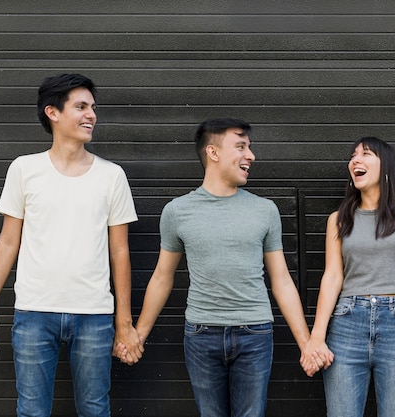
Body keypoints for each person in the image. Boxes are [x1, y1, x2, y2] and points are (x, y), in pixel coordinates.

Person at [124, 118, 332, 416]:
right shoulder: (177, 211)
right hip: (200, 333)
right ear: (213, 152)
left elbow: (282, 280)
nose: (251, 155)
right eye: (241, 146)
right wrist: (138, 335)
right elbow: (161, 277)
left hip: (255, 333)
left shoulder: (265, 210)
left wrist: (306, 343)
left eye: (249, 147)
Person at [0, 73, 142, 417]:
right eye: (80, 107)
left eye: (92, 108)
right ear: (53, 113)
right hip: (34, 312)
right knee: (32, 410)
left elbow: (120, 252)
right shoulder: (24, 169)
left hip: (94, 314)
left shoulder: (112, 176)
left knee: (95, 409)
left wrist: (124, 323)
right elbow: (8, 242)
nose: (91, 115)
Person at [300, 137, 395, 417]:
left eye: (366, 154)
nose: (356, 160)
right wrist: (316, 337)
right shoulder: (340, 219)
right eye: (353, 156)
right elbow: (332, 277)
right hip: (347, 324)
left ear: (387, 166)